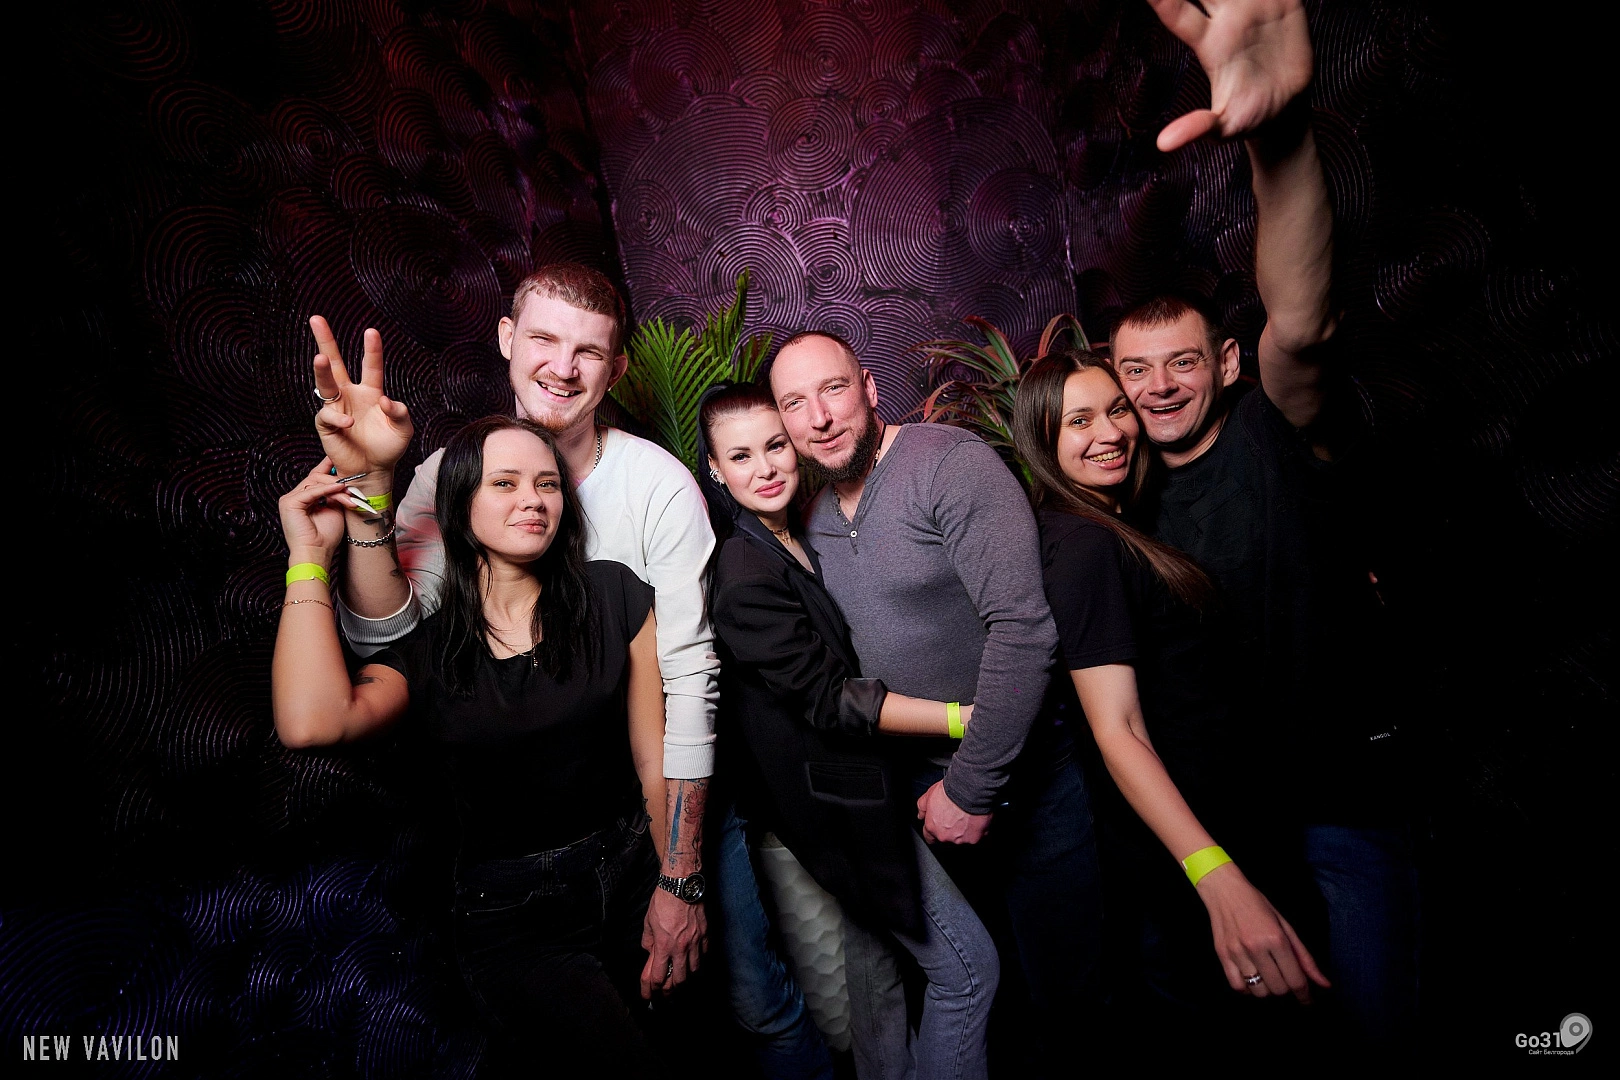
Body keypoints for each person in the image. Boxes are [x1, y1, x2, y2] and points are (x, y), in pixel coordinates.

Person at [305, 264, 832, 1076]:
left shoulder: (656, 484)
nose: (562, 366)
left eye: (588, 351)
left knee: (747, 1003)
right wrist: (370, 488)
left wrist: (681, 874)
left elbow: (690, 681)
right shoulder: (451, 476)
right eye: (544, 338)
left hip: (671, 796)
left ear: (616, 369)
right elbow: (395, 642)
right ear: (507, 339)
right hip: (528, 845)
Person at [1113, 0, 1419, 1046]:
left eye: (1182, 363)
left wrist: (1280, 141)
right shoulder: (1116, 500)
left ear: (1227, 364)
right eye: (1137, 371)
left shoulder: (1267, 427)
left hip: (1341, 800)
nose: (1160, 388)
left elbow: (1306, 319)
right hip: (1224, 828)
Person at [272, 419, 674, 1075]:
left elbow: (656, 761)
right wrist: (308, 557)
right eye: (505, 483)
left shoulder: (614, 593)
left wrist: (678, 887)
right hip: (517, 922)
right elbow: (311, 722)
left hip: (635, 874)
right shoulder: (432, 651)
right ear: (459, 507)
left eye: (548, 484)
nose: (533, 500)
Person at [769, 331, 1103, 1076]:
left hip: (1023, 783)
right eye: (795, 403)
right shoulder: (809, 515)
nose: (819, 418)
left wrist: (972, 786)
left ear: (868, 387)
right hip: (916, 793)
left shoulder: (949, 465)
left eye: (833, 389)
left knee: (1066, 1000)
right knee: (982, 1000)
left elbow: (1023, 629)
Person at [1012, 347, 1328, 1032]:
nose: (1109, 433)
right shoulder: (1084, 546)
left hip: (1218, 821)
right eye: (1078, 422)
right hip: (1190, 845)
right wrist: (1217, 877)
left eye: (1116, 410)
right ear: (1041, 440)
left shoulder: (1107, 526)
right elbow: (1116, 730)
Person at [699, 382, 999, 1080]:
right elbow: (831, 698)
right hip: (837, 811)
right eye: (740, 456)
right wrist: (963, 719)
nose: (765, 468)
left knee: (878, 972)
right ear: (715, 469)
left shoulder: (798, 535)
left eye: (775, 445)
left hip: (864, 788)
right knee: (968, 971)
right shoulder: (743, 572)